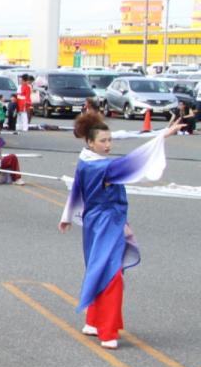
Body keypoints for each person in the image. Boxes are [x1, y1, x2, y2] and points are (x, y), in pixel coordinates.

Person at [58, 113, 183, 349]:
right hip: (107, 220)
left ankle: (93, 321)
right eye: (103, 141)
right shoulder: (105, 167)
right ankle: (108, 331)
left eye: (109, 140)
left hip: (94, 220)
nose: (108, 145)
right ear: (90, 142)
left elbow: (76, 190)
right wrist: (162, 136)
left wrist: (67, 216)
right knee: (112, 274)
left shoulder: (84, 160)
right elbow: (136, 161)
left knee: (98, 267)